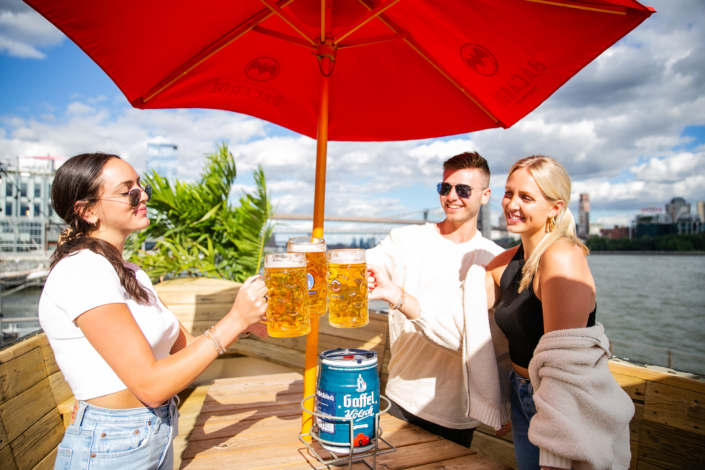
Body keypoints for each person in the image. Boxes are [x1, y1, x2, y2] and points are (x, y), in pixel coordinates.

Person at [39, 153, 268, 470]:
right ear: (88, 211)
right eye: (128, 191)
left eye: (141, 186)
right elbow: (151, 387)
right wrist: (235, 319)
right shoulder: (82, 271)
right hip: (110, 447)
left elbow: (186, 352)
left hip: (153, 437)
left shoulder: (131, 273)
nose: (142, 195)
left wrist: (244, 326)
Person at [486, 155, 633, 470]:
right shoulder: (501, 264)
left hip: (560, 404)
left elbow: (565, 363)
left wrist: (556, 451)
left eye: (526, 197)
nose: (511, 204)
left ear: (555, 207)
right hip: (521, 394)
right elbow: (470, 325)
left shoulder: (562, 257)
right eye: (508, 193)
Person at [366, 151, 505, 448]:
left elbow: (498, 340)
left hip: (459, 412)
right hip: (402, 398)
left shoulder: (496, 259)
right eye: (445, 188)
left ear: (486, 195)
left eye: (463, 189)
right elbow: (363, 267)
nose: (451, 196)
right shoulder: (405, 240)